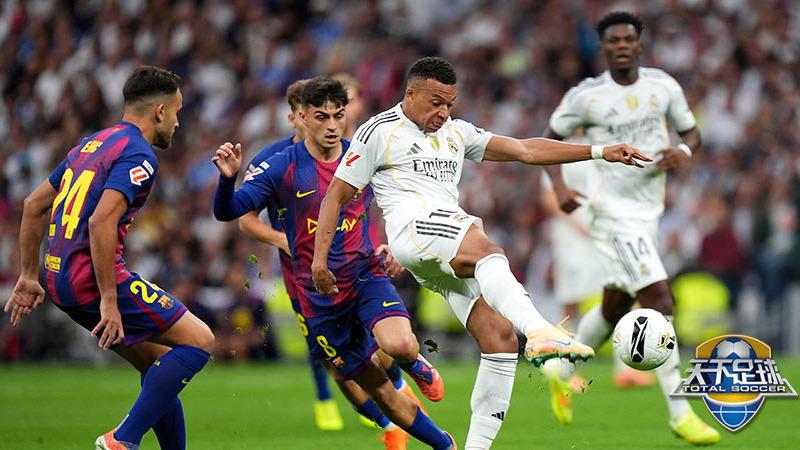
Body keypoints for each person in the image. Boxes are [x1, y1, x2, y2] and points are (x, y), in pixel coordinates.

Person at [311, 56, 649, 449]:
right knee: (487, 249)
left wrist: (600, 151)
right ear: (411, 94)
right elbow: (336, 196)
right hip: (413, 228)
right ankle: (540, 331)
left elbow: (524, 150)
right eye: (436, 102)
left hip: (439, 247)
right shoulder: (379, 131)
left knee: (500, 338)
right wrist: (319, 260)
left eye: (449, 104)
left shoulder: (456, 132)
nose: (443, 112)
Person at [213, 77, 455, 449]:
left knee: (399, 345)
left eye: (338, 116)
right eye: (321, 117)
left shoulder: (364, 155)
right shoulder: (279, 166)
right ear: (302, 118)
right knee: (373, 388)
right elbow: (229, 211)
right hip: (316, 295)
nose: (331, 125)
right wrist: (226, 181)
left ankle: (415, 365)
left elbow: (404, 201)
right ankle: (444, 444)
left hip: (364, 275)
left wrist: (395, 244)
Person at [3, 66, 215, 450]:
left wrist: (29, 275)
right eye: (177, 112)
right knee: (200, 340)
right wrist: (109, 300)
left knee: (157, 364)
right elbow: (101, 221)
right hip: (89, 279)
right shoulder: (140, 155)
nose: (178, 122)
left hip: (57, 278)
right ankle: (123, 440)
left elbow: (34, 205)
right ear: (160, 111)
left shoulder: (93, 143)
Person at [541, 11, 720, 445]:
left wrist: (682, 152)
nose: (621, 45)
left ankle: (560, 369)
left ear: (640, 44)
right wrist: (560, 187)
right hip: (611, 213)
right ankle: (680, 413)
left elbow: (692, 134)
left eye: (628, 39)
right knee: (660, 299)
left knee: (615, 305)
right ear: (603, 48)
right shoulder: (587, 96)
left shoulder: (664, 87)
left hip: (648, 213)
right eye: (613, 40)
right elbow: (548, 139)